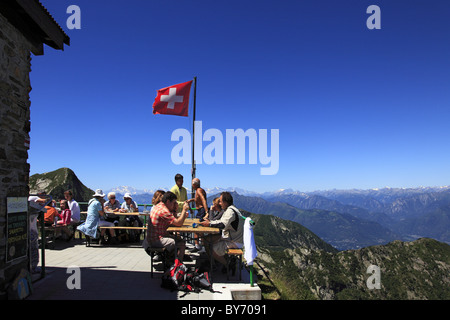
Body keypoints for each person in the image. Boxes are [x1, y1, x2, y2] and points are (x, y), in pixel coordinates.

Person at [200, 192, 244, 271]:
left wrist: (209, 223)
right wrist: (210, 223)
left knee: (212, 248)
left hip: (234, 240)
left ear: (225, 202)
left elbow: (222, 224)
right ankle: (214, 262)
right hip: (232, 237)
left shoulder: (230, 211)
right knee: (207, 240)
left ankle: (228, 265)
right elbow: (221, 222)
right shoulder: (230, 209)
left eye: (220, 201)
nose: (219, 203)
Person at [145, 191, 190, 262]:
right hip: (156, 240)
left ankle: (172, 262)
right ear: (168, 201)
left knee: (179, 240)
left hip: (152, 237)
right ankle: (177, 266)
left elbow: (173, 222)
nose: (175, 204)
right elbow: (178, 223)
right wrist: (184, 210)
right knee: (180, 243)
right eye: (174, 202)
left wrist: (175, 210)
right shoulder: (164, 210)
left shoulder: (159, 206)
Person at [187, 178, 209, 251]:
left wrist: (206, 212)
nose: (192, 186)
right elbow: (198, 199)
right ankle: (201, 246)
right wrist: (191, 200)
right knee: (199, 228)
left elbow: (203, 199)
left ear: (194, 184)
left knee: (196, 227)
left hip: (201, 211)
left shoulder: (199, 191)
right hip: (201, 211)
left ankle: (199, 246)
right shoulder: (199, 190)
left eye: (192, 184)